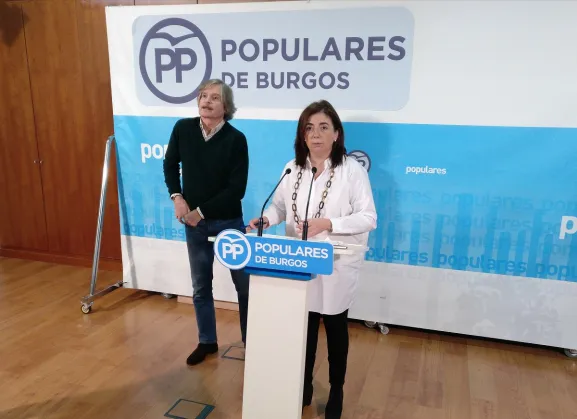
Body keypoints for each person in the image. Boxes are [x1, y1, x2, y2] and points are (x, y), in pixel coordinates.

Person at [247, 100, 377, 418]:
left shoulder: (352, 171)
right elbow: (279, 207)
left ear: (336, 134)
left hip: (336, 263)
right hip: (298, 261)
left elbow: (368, 217)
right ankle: (301, 384)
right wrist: (267, 219)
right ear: (302, 135)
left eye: (323, 127)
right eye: (309, 128)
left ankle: (336, 389)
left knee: (334, 326)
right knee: (302, 327)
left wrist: (329, 223)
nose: (316, 134)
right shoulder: (292, 168)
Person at [163, 79, 250, 366]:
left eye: (214, 97)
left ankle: (252, 341)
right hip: (195, 226)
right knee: (201, 286)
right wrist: (177, 197)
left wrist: (200, 210)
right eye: (203, 96)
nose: (206, 101)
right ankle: (207, 341)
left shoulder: (236, 140)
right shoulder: (183, 129)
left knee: (244, 286)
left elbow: (236, 190)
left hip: (229, 222)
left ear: (226, 106)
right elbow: (169, 164)